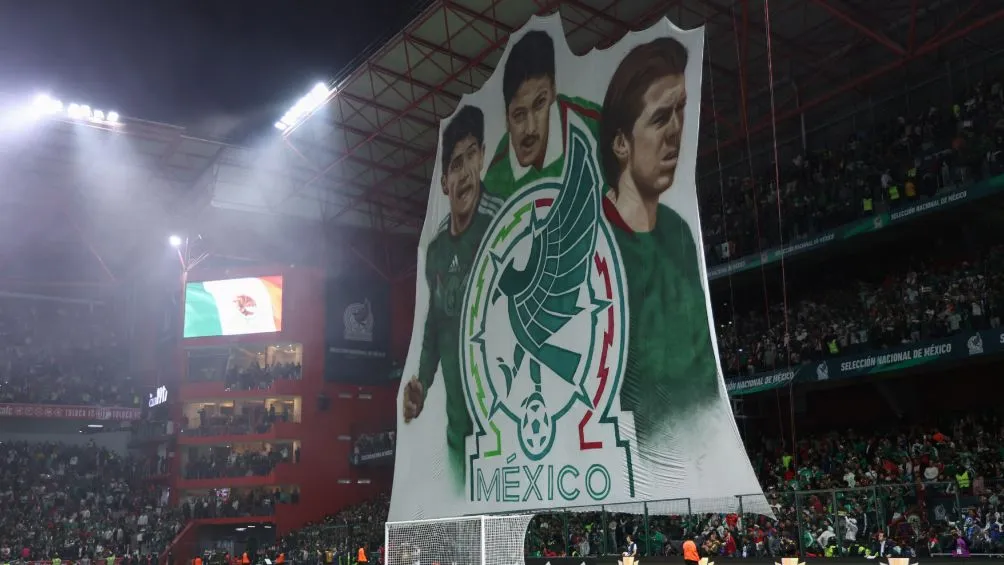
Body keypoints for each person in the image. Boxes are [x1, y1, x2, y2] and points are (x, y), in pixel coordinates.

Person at [598, 37, 719, 448]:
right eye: (660, 118)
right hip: (633, 456)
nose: (676, 131)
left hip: (694, 448)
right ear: (621, 143)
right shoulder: (594, 242)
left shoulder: (679, 232)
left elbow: (703, 366)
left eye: (680, 110)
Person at [402, 105, 501, 491]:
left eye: (471, 156)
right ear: (444, 182)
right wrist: (422, 382)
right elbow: (434, 326)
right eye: (455, 165)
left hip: (505, 427)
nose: (465, 173)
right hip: (459, 432)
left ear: (483, 157)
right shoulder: (437, 250)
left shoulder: (503, 225)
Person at [483, 30, 601, 200]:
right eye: (519, 115)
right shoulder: (496, 176)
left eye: (539, 104)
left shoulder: (593, 126)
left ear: (553, 91)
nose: (530, 128)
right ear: (506, 119)